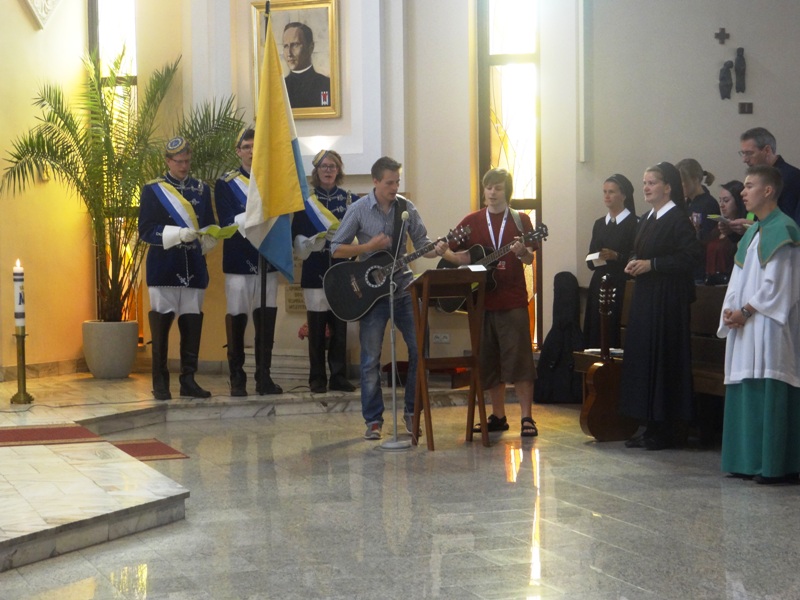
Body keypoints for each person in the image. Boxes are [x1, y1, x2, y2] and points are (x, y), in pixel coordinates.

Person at [330, 156, 448, 440]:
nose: (395, 187)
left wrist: (437, 249)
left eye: (397, 182)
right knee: (370, 358)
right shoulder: (358, 209)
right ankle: (373, 420)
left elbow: (422, 244)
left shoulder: (406, 208)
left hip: (404, 287)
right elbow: (335, 248)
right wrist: (368, 246)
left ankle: (412, 412)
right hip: (371, 295)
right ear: (375, 181)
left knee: (420, 349)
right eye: (389, 183)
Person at [718, 165, 800, 484]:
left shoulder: (784, 228)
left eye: (749, 185)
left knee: (769, 379)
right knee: (744, 381)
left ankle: (773, 464)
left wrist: (747, 311)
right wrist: (730, 310)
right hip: (745, 324)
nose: (743, 192)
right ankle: (746, 461)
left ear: (768, 191)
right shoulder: (752, 232)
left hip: (769, 325)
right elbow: (737, 277)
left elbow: (779, 285)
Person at [446, 168, 540, 437]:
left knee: (520, 361)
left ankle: (527, 417)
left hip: (513, 300)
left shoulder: (521, 220)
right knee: (488, 362)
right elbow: (455, 252)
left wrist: (521, 252)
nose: (492, 192)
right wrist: (443, 253)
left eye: (498, 188)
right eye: (488, 187)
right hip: (482, 302)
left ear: (506, 191)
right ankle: (498, 416)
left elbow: (529, 258)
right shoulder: (472, 221)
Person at [619, 162, 702, 450]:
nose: (646, 187)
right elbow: (639, 249)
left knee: (663, 360)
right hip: (646, 298)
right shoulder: (647, 218)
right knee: (646, 359)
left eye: (652, 182)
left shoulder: (677, 218)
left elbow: (690, 257)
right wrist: (634, 261)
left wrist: (652, 265)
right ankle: (650, 425)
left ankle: (666, 429)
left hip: (668, 301)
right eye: (644, 183)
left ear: (668, 187)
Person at [138, 137, 218, 400]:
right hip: (164, 268)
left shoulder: (201, 189)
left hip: (194, 267)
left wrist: (211, 236)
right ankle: (160, 382)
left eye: (187, 161)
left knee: (192, 326)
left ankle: (189, 381)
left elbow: (208, 224)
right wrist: (176, 234)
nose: (184, 166)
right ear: (168, 161)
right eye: (179, 161)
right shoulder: (153, 190)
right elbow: (146, 230)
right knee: (161, 329)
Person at [214, 128, 282, 397]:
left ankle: (264, 376)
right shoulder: (226, 183)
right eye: (247, 146)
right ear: (238, 151)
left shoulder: (273, 182)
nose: (252, 151)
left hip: (268, 258)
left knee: (266, 318)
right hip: (239, 260)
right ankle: (237, 377)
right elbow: (227, 221)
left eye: (256, 146)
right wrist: (256, 218)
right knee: (237, 317)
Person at [292, 150, 357, 393]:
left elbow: (357, 235)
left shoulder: (350, 200)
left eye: (332, 166)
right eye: (324, 166)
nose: (328, 170)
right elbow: (295, 236)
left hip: (341, 271)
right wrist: (309, 243)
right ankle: (317, 377)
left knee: (340, 328)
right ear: (316, 170)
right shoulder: (305, 202)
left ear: (338, 170)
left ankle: (338, 376)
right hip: (314, 270)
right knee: (317, 329)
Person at [583, 173, 637, 348]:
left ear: (624, 195)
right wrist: (596, 257)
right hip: (599, 282)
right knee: (596, 329)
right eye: (605, 192)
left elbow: (638, 256)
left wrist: (617, 256)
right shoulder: (599, 224)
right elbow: (590, 259)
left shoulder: (635, 223)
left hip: (621, 283)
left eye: (611, 192)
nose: (607, 196)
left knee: (615, 329)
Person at [738, 127, 800, 226]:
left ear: (767, 150)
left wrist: (755, 226)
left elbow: (789, 223)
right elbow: (753, 215)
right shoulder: (757, 177)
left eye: (749, 153)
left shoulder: (791, 177)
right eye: (743, 153)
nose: (744, 160)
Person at [677, 158, 721, 282]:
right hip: (686, 266)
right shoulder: (686, 203)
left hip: (699, 269)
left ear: (695, 179)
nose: (679, 186)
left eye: (682, 182)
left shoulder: (708, 204)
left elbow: (706, 238)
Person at [705, 180, 745, 285]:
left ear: (738, 201)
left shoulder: (743, 229)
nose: (722, 205)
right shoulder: (717, 228)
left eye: (726, 201)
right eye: (720, 201)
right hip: (711, 282)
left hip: (731, 282)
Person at [282, 22, 331, 108]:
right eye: (286, 46)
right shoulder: (280, 88)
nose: (289, 53)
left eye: (295, 45)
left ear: (310, 48)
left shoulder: (326, 85)